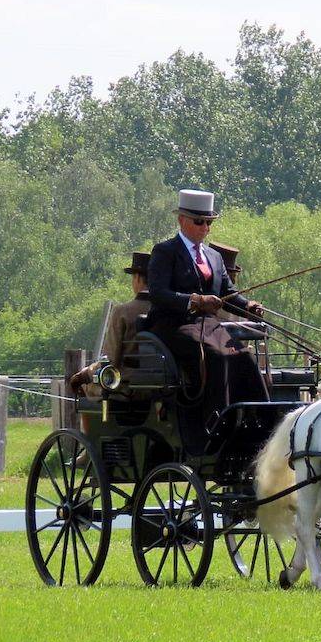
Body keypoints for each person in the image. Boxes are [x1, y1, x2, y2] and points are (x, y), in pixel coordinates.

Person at [145, 189, 269, 449]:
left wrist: (248, 306)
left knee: (244, 356)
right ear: (182, 220)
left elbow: (228, 294)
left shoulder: (214, 257)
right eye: (200, 221)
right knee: (216, 355)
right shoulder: (165, 251)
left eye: (209, 222)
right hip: (173, 324)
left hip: (208, 326)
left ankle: (262, 421)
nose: (206, 228)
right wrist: (195, 300)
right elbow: (158, 293)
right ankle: (216, 422)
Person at [69, 250, 153, 395]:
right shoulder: (167, 311)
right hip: (161, 387)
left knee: (84, 390)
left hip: (126, 388)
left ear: (138, 278)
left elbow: (110, 360)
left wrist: (86, 373)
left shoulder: (122, 312)